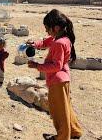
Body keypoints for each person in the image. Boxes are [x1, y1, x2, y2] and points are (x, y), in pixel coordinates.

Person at [27, 9, 83, 140]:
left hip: (57, 81)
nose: (46, 32)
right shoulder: (63, 38)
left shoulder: (58, 43)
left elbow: (56, 66)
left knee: (59, 112)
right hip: (64, 78)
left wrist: (37, 66)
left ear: (56, 28)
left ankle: (62, 137)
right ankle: (75, 131)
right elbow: (46, 42)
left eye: (47, 29)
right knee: (66, 107)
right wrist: (35, 44)